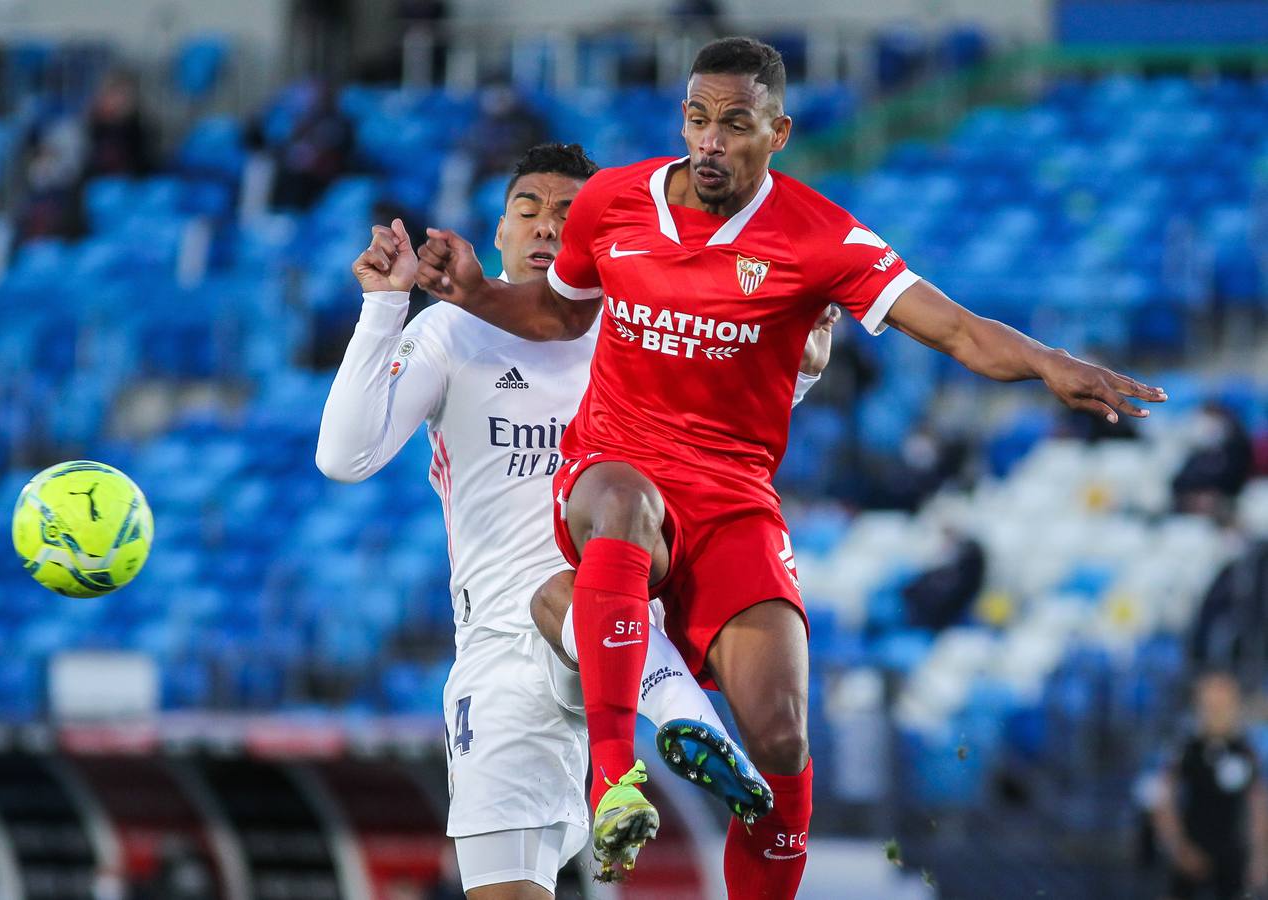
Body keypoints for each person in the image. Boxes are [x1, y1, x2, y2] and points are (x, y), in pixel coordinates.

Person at [412, 36, 1167, 893]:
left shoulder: (817, 238)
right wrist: (474, 294)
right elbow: (558, 314)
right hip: (610, 468)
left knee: (780, 742)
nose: (708, 140)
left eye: (734, 123)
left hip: (731, 499)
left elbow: (955, 327)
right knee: (619, 501)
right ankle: (615, 780)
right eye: (696, 118)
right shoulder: (613, 203)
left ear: (779, 132)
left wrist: (1048, 362)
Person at [316, 142, 834, 899]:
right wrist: (385, 303)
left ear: (598, 234)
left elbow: (751, 406)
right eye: (528, 211)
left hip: (625, 621)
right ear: (498, 233)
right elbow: (344, 455)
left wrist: (804, 350)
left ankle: (692, 729)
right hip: (498, 655)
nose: (547, 228)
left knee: (574, 574)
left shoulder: (647, 327)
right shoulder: (455, 330)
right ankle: (686, 736)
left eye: (568, 214)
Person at [1153, 671, 1268, 900]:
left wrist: (1260, 857)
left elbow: (1258, 805)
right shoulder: (1185, 749)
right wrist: (1178, 847)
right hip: (1192, 852)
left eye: (1224, 704)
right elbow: (1163, 800)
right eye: (1211, 704)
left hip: (1232, 856)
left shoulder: (1246, 751)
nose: (1218, 712)